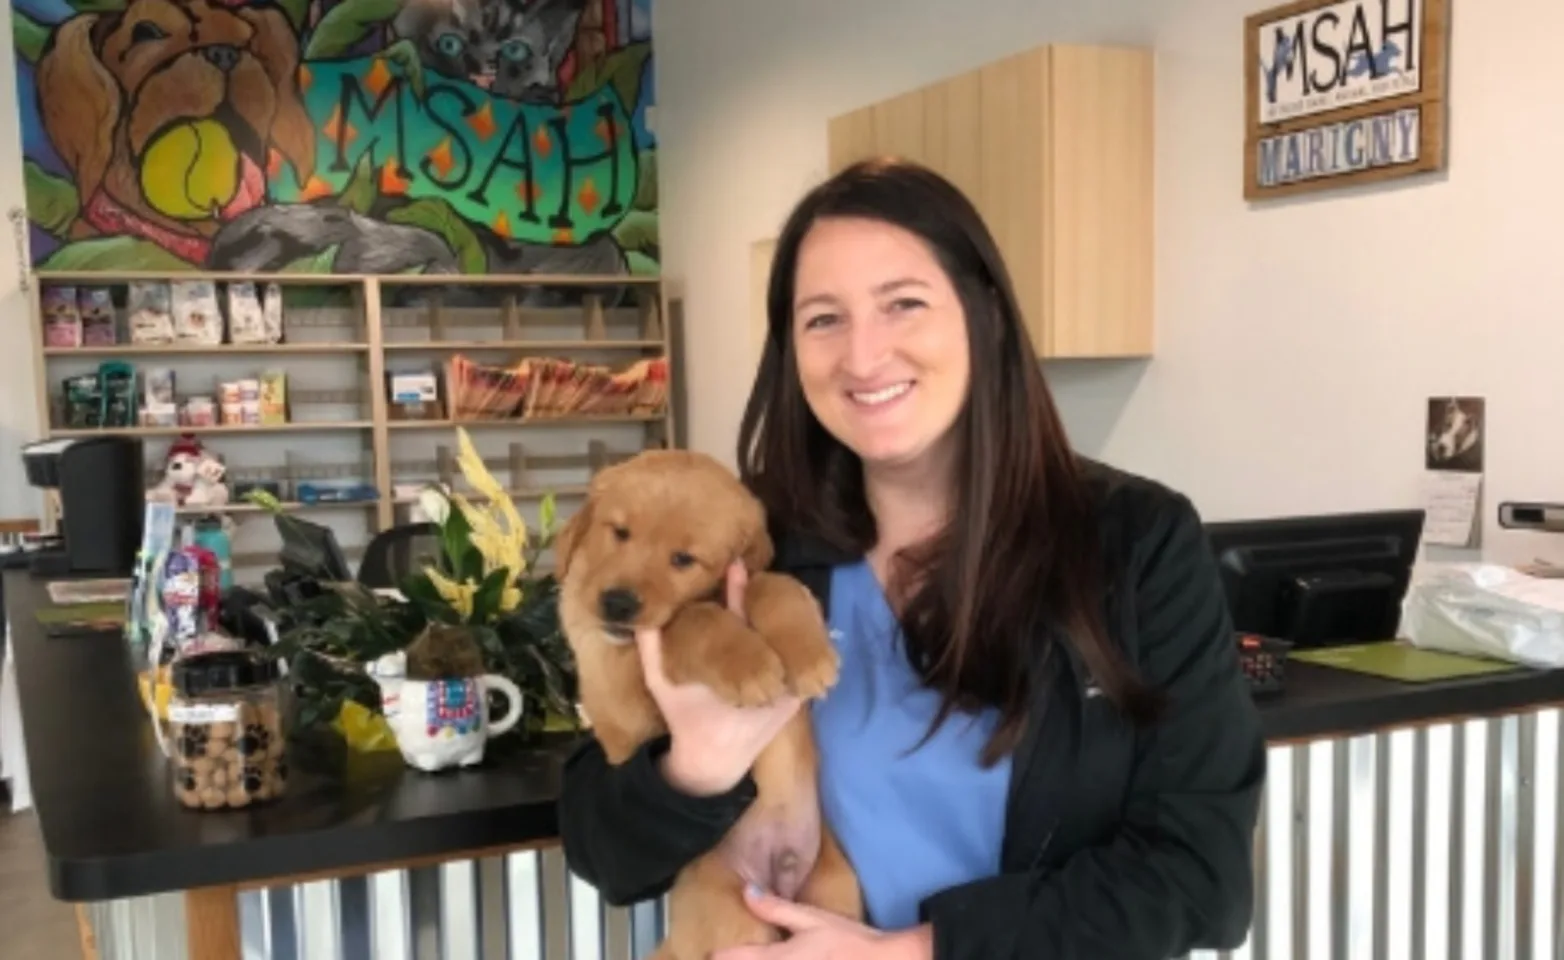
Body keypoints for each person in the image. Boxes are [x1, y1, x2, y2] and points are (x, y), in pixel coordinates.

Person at [557, 157, 1266, 959]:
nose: (864, 357)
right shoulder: (749, 541)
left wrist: (913, 953)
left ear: (984, 314)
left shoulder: (1134, 543)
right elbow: (601, 849)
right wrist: (695, 768)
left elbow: (1202, 880)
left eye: (903, 305)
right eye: (823, 319)